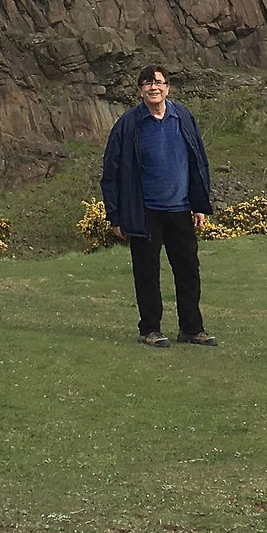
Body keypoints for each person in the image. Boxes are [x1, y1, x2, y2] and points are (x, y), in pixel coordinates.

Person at [101, 64, 217, 348]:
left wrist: (198, 204)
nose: (154, 88)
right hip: (144, 213)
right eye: (147, 83)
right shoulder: (128, 124)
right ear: (140, 89)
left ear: (167, 87)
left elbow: (197, 162)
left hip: (181, 209)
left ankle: (191, 328)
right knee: (147, 273)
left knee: (188, 271)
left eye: (159, 83)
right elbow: (111, 171)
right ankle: (150, 330)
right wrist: (115, 216)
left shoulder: (183, 117)